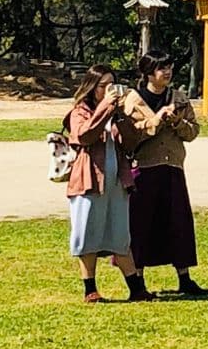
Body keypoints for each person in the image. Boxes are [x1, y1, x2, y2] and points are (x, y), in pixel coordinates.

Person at [64, 64, 153, 303]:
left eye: (112, 85)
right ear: (93, 88)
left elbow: (131, 142)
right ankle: (90, 289)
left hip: (117, 182)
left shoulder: (116, 112)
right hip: (89, 181)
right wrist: (105, 108)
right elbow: (84, 135)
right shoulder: (79, 112)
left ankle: (136, 288)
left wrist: (122, 114)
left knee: (120, 236)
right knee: (87, 235)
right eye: (104, 86)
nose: (109, 90)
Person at [119, 51, 203, 295]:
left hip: (173, 168)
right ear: (147, 73)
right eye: (160, 68)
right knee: (141, 225)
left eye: (169, 67)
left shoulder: (179, 98)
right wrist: (154, 121)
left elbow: (193, 133)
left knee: (179, 222)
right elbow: (127, 138)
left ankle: (184, 278)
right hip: (143, 170)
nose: (166, 72)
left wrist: (177, 121)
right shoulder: (133, 101)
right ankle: (138, 279)